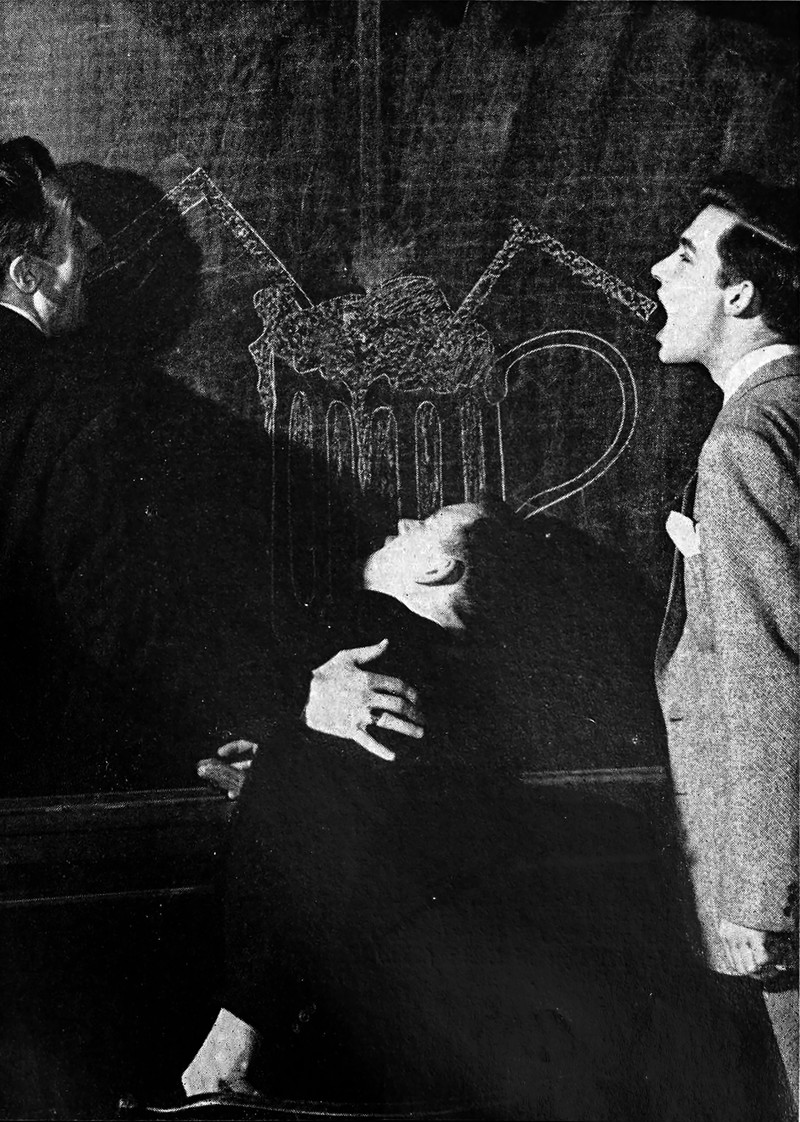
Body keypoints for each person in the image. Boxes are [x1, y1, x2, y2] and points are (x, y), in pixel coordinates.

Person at [180, 498, 666, 1121]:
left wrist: (238, 1026)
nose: (406, 523)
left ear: (441, 570)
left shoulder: (379, 648)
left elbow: (322, 825)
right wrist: (284, 751)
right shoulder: (453, 684)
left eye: (430, 523)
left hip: (348, 1034)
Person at [0, 134, 422, 793]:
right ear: (28, 276)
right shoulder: (83, 408)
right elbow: (120, 624)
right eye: (74, 231)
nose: (96, 243)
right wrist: (298, 695)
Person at [651, 171, 799, 1111]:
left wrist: (762, 894)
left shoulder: (746, 440)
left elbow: (770, 676)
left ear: (739, 295)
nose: (658, 274)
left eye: (684, 257)